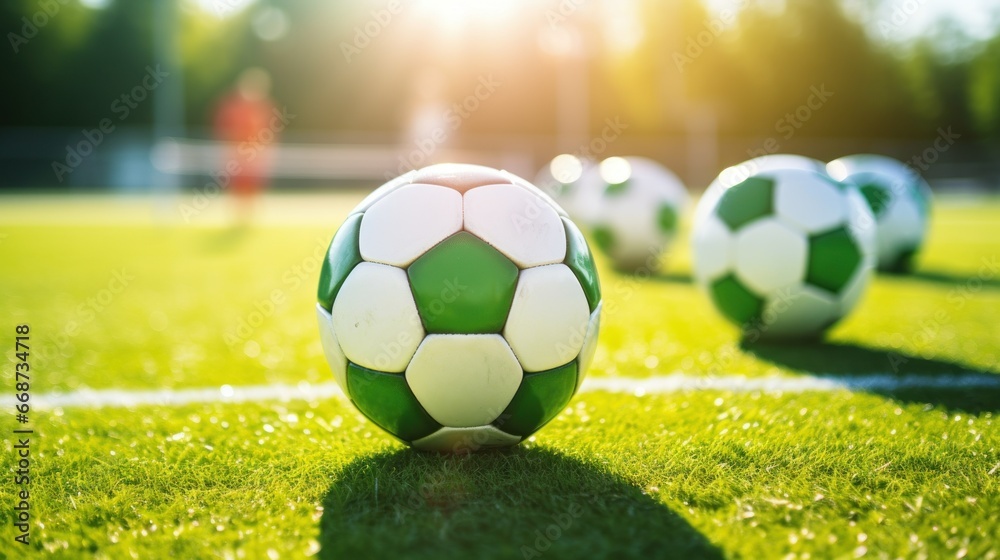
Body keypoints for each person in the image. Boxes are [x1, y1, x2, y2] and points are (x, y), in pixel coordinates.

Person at [212, 68, 277, 223]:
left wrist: (264, 152)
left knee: (252, 185)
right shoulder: (232, 107)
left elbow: (270, 131)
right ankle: (238, 214)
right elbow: (224, 130)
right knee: (237, 184)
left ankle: (248, 215)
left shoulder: (264, 107)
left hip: (255, 155)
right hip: (237, 154)